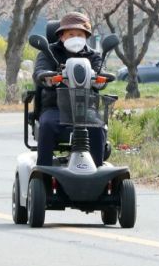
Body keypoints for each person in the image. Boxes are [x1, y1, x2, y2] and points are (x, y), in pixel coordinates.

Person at [32, 11, 106, 167]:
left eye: (80, 34)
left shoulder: (94, 56)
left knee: (98, 128)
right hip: (55, 107)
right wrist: (47, 78)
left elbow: (102, 74)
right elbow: (39, 71)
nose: (75, 38)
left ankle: (97, 170)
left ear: (86, 37)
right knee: (47, 125)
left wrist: (99, 80)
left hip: (85, 107)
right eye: (71, 34)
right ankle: (43, 171)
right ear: (61, 36)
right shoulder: (48, 52)